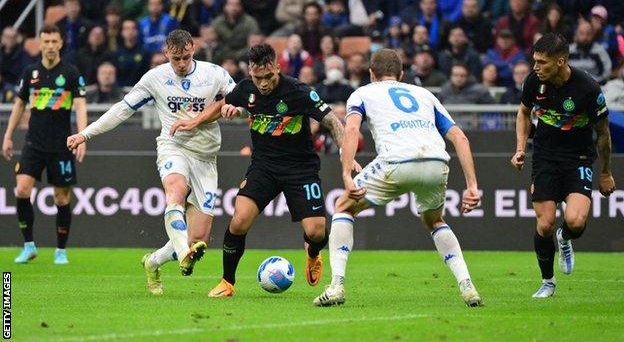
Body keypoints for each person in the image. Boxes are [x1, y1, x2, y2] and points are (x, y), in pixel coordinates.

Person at [170, 43, 353, 297]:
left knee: (316, 232)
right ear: (251, 73)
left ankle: (313, 253)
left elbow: (333, 121)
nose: (264, 84)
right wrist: (194, 121)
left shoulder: (298, 91)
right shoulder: (246, 89)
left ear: (278, 68)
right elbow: (222, 103)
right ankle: (227, 282)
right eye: (258, 78)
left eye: (269, 77)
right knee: (239, 220)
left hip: (300, 168)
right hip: (264, 166)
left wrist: (347, 153)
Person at [66, 29, 236, 295]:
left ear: (193, 48)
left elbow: (239, 98)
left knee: (198, 238)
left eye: (186, 57)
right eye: (175, 59)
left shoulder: (214, 73)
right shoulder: (155, 78)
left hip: (206, 156)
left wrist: (232, 107)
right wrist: (85, 133)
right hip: (173, 146)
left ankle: (153, 262)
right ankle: (182, 254)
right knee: (175, 192)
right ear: (166, 53)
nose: (181, 64)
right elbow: (122, 109)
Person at [313, 49, 482, 307]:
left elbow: (352, 128)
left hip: (396, 161)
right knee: (434, 220)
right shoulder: (425, 94)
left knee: (343, 206)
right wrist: (472, 186)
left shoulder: (362, 93)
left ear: (371, 74)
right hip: (437, 162)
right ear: (402, 75)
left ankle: (336, 285)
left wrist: (346, 173)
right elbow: (460, 137)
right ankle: (467, 286)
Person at [511, 33, 615, 298]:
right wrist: (521, 148)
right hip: (545, 157)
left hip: (578, 157)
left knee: (576, 221)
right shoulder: (534, 83)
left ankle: (565, 238)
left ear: (560, 62)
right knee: (544, 224)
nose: (535, 67)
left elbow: (603, 132)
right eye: (534, 61)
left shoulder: (588, 88)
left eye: (542, 62)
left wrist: (605, 172)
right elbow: (523, 113)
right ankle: (548, 282)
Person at [2, 25, 87, 265]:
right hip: (34, 144)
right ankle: (29, 245)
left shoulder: (71, 73)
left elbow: (80, 105)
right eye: (46, 41)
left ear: (60, 44)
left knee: (61, 198)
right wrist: (8, 136)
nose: (50, 46)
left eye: (54, 41)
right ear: (40, 44)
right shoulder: (30, 73)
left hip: (61, 146)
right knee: (21, 190)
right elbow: (19, 105)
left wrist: (82, 136)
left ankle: (60, 250)